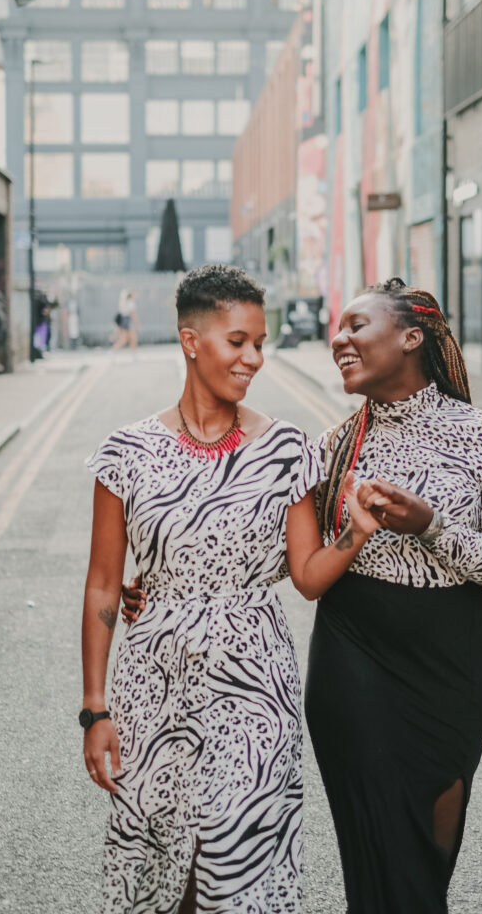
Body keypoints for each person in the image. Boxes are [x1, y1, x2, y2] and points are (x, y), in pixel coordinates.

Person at [81, 264, 382, 914]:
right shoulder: (126, 453)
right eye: (237, 341)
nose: (254, 358)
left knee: (240, 869)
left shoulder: (284, 450)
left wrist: (353, 534)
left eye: (259, 342)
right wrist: (95, 710)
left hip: (254, 692)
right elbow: (105, 585)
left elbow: (306, 578)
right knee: (161, 865)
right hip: (152, 690)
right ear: (192, 341)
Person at [304, 277, 482, 913]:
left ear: (411, 337)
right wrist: (162, 584)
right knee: (380, 852)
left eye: (356, 326)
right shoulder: (335, 444)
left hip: (447, 665)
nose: (339, 339)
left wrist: (431, 526)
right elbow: (293, 558)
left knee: (432, 852)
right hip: (351, 656)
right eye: (339, 329)